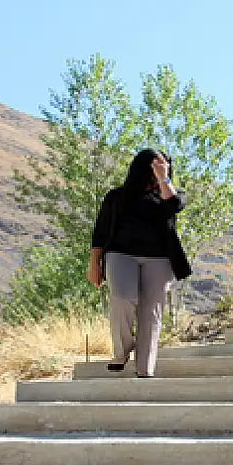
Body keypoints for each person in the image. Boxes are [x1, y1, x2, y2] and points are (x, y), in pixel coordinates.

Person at [87, 148, 192, 377]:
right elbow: (101, 233)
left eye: (163, 166)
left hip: (160, 259)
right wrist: (94, 264)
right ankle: (122, 350)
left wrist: (164, 177)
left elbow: (173, 205)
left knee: (151, 311)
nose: (157, 171)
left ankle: (145, 368)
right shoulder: (116, 197)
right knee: (122, 298)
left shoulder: (171, 195)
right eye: (153, 167)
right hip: (120, 254)